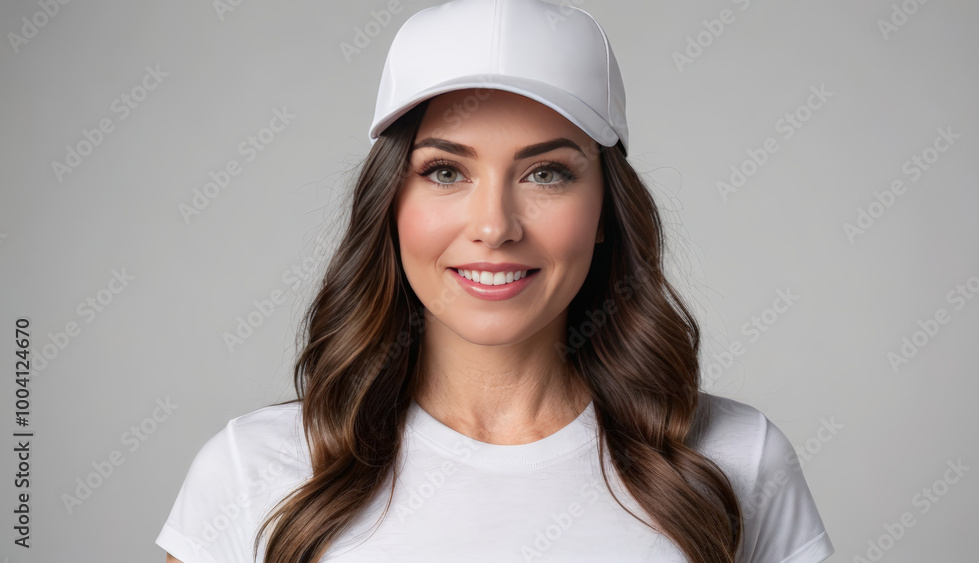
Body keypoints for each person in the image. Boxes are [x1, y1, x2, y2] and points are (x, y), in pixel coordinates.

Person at [156, 1, 835, 561]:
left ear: (604, 211)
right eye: (446, 171)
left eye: (547, 173)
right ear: (390, 203)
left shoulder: (737, 460)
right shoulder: (252, 472)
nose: (494, 225)